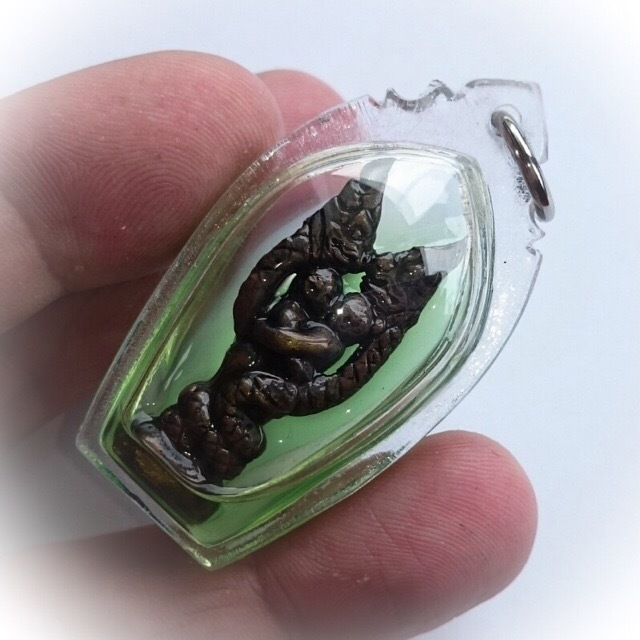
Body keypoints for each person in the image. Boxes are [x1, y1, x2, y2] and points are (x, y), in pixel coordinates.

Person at [0, 52, 537, 639]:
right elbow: (263, 279)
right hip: (234, 368)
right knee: (203, 396)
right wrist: (265, 317)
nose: (327, 303)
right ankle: (163, 444)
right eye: (317, 288)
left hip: (269, 396)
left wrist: (281, 361)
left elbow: (340, 382)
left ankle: (198, 475)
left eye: (347, 315)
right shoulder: (302, 287)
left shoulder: (333, 336)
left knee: (232, 411)